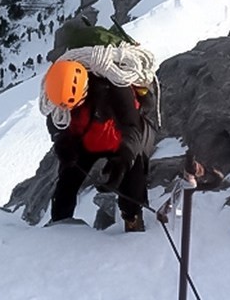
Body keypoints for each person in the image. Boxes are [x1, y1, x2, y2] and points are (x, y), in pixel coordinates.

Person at [42, 58, 156, 232]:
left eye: (76, 104)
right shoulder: (57, 95)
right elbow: (56, 122)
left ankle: (133, 220)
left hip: (120, 142)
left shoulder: (116, 88)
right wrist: (61, 141)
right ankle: (59, 225)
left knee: (133, 184)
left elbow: (132, 129)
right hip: (86, 141)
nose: (70, 110)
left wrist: (123, 161)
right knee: (66, 182)